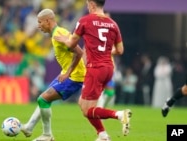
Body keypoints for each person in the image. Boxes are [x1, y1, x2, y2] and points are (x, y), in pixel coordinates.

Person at [54, 0, 132, 140]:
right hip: (109, 68)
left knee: (87, 110)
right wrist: (105, 52)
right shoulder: (113, 24)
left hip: (95, 69)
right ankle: (102, 135)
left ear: (92, 4)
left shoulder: (85, 20)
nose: (86, 6)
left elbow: (72, 43)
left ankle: (120, 115)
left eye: (87, 3)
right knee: (83, 104)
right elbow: (120, 50)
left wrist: (63, 39)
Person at [20, 9, 86, 141]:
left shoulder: (59, 34)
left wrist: (68, 72)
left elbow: (79, 52)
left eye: (40, 22)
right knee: (43, 98)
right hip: (68, 73)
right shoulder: (57, 33)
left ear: (47, 21)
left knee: (43, 99)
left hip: (74, 76)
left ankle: (47, 135)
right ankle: (29, 127)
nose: (38, 26)